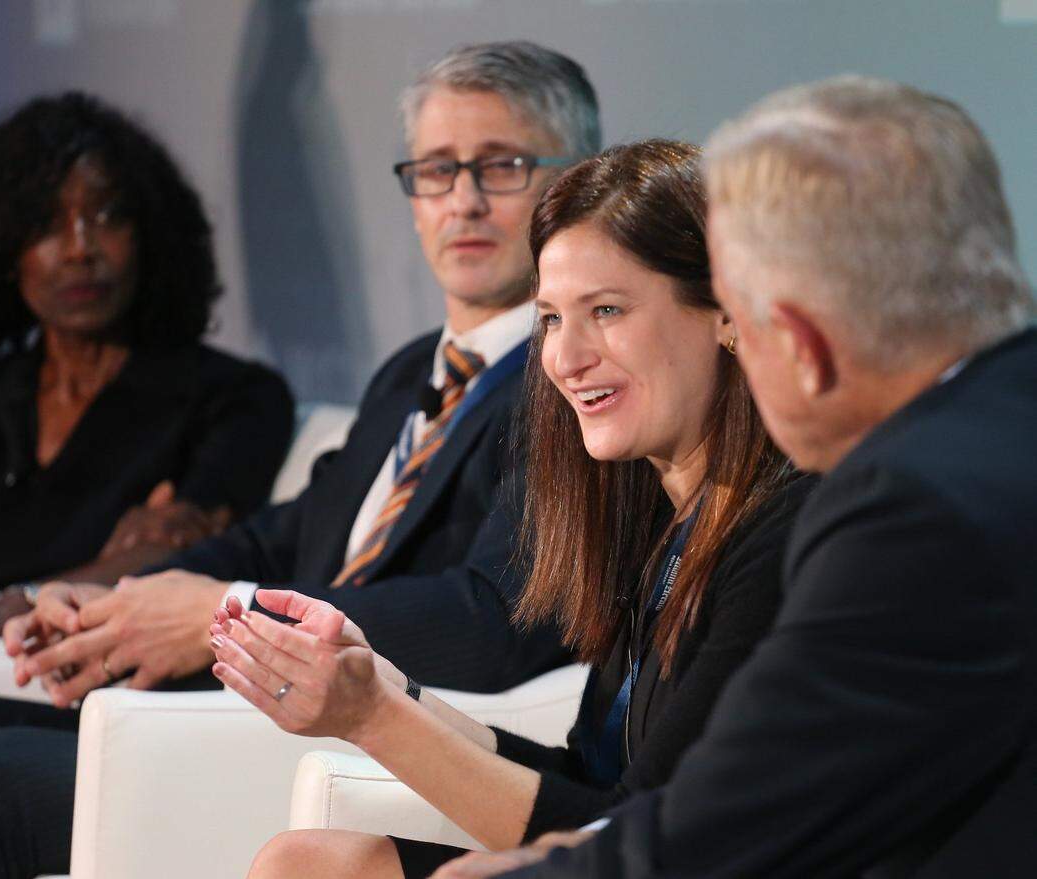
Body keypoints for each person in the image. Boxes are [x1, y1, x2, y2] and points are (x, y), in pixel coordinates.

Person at [0, 41, 600, 878]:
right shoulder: (411, 371)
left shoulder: (574, 382)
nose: (466, 201)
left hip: (365, 744)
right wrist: (126, 601)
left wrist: (223, 613)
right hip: (245, 712)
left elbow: (496, 622)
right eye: (438, 170)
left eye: (504, 165)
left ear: (575, 181)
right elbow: (282, 536)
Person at [438, 77, 1037, 878]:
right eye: (551, 317)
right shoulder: (1004, 423)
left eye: (743, 327)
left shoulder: (910, 511)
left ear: (795, 342)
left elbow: (717, 837)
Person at [206, 138, 814, 879]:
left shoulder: (781, 531)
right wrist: (379, 688)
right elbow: (590, 779)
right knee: (307, 861)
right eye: (553, 318)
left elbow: (639, 828)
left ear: (726, 312)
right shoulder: (658, 521)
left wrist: (376, 716)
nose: (566, 357)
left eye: (607, 309)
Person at [0, 91, 294, 638]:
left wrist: (24, 606)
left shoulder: (233, 396)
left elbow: (183, 558)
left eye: (106, 215)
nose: (80, 248)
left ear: (149, 235)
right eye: (45, 224)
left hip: (104, 683)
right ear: (2, 252)